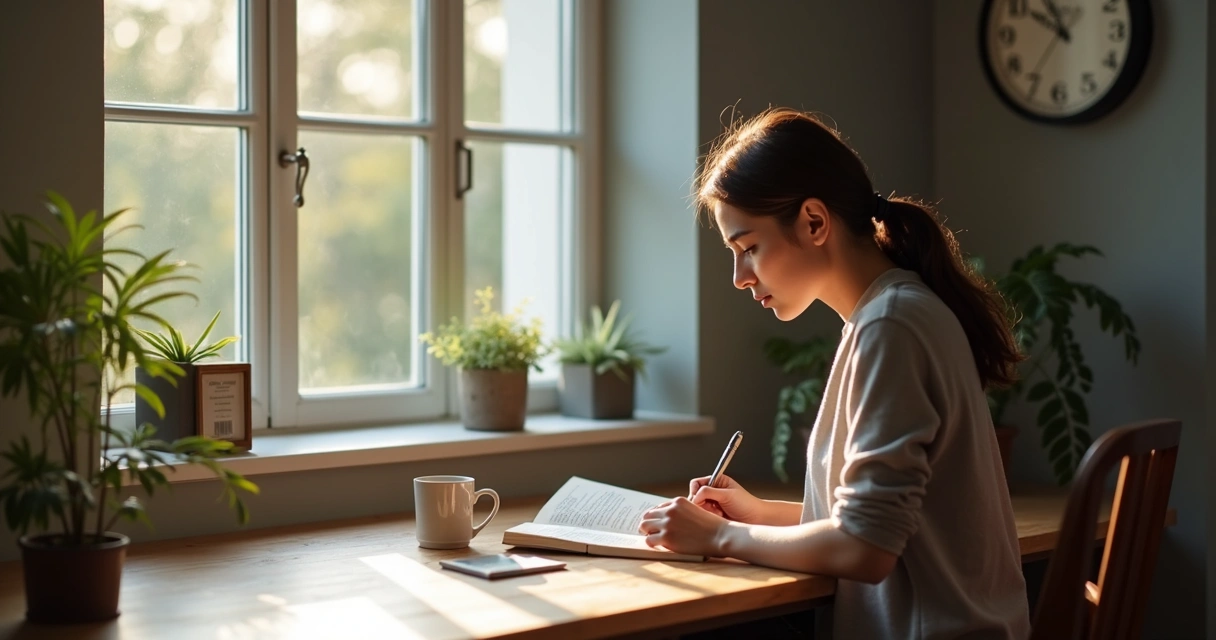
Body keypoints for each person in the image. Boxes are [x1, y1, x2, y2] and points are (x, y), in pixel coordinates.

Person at [637, 108, 1032, 640]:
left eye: (748, 248)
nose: (738, 277)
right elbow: (878, 520)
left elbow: (866, 548)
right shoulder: (889, 314)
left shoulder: (891, 326)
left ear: (815, 222)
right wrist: (754, 514)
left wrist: (720, 537)